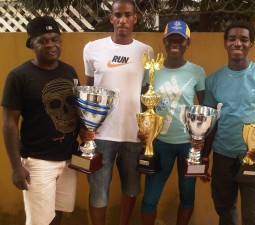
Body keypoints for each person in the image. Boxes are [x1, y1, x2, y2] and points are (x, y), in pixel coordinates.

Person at [1, 16, 79, 225]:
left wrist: (86, 133)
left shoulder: (69, 71)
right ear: (31, 45)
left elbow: (74, 109)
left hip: (68, 160)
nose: (51, 45)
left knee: (58, 213)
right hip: (38, 163)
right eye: (43, 41)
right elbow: (9, 123)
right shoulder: (19, 76)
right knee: (39, 221)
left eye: (55, 39)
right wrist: (17, 167)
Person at [81, 0, 154, 225]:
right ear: (111, 18)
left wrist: (148, 130)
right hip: (100, 136)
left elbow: (147, 95)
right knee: (99, 192)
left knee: (131, 189)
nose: (122, 19)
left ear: (135, 18)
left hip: (133, 135)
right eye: (118, 15)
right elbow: (88, 90)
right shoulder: (93, 48)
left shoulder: (146, 52)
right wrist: (86, 127)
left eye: (128, 15)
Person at [203, 20, 255, 225]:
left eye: (244, 39)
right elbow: (211, 122)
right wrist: (204, 156)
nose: (238, 43)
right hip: (222, 158)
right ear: (225, 43)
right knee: (225, 213)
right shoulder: (213, 80)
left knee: (254, 218)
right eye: (232, 38)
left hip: (254, 159)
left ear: (251, 44)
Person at [140, 20, 206, 225]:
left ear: (188, 43)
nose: (175, 43)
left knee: (187, 196)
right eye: (171, 39)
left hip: (188, 144)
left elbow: (203, 109)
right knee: (150, 199)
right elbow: (144, 105)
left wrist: (200, 140)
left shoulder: (197, 72)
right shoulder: (151, 70)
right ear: (164, 42)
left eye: (180, 39)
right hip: (160, 143)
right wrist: (146, 131)